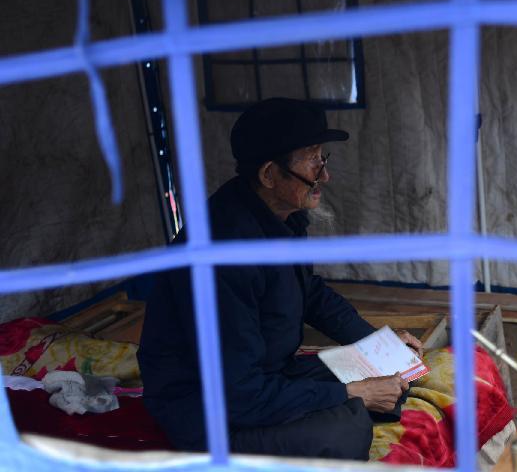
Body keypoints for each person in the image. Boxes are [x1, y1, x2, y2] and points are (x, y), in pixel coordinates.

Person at [138, 98, 423, 460]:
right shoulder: (222, 256)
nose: (325, 175)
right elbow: (240, 394)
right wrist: (355, 393)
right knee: (345, 431)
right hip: (211, 410)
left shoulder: (279, 215)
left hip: (268, 372)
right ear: (269, 174)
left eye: (323, 158)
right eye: (312, 160)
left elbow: (311, 293)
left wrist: (377, 344)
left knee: (391, 374)